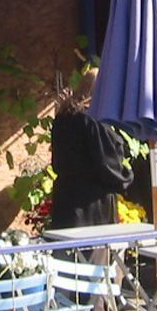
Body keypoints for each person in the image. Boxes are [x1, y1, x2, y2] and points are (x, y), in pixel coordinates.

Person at [47, 69, 135, 230]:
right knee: (92, 253)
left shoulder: (62, 118)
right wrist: (127, 177)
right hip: (91, 208)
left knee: (66, 253)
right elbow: (108, 166)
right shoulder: (94, 121)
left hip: (65, 201)